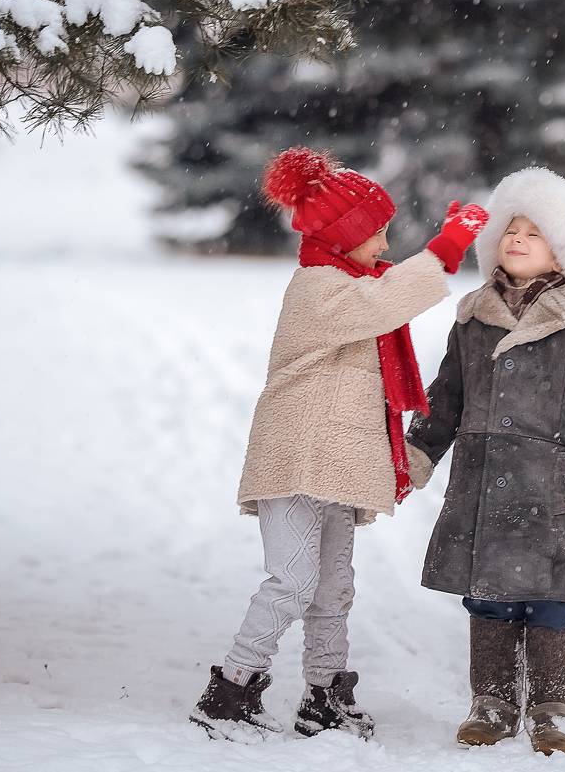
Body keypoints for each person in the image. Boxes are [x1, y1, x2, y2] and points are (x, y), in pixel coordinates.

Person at [189, 147, 488, 743]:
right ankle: (229, 691)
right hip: (296, 460)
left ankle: (324, 695)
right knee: (292, 583)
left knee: (333, 590)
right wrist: (447, 247)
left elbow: (384, 298)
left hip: (335, 465)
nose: (384, 245)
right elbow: (386, 301)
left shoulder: (350, 283)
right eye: (376, 233)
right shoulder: (318, 287)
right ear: (344, 235)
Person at [406, 167, 565, 756]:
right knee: (489, 596)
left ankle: (551, 709)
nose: (518, 239)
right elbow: (446, 395)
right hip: (481, 484)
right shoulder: (472, 319)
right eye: (511, 230)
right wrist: (418, 452)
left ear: (563, 254)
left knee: (550, 599)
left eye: (535, 233)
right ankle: (493, 702)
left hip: (546, 489)